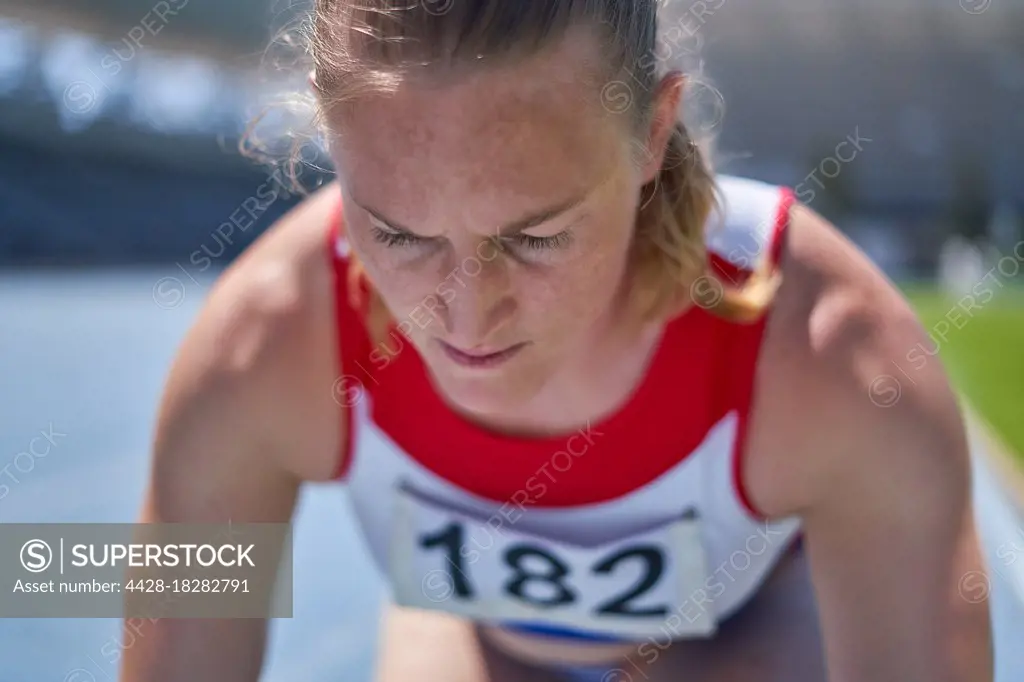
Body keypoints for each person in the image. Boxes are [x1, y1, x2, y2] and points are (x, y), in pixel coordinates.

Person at [121, 1, 995, 681]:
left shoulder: (838, 364)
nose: (465, 316)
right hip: (475, 645)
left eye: (535, 239)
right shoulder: (261, 348)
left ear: (654, 132)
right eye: (399, 235)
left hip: (755, 631)